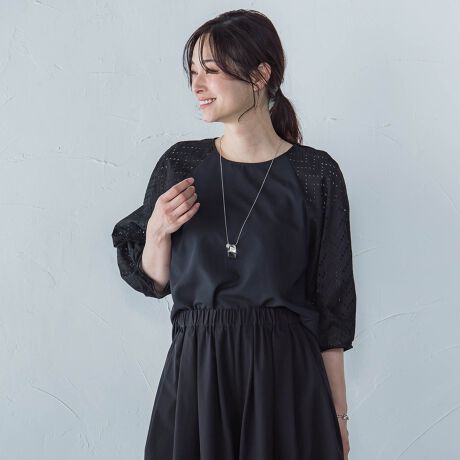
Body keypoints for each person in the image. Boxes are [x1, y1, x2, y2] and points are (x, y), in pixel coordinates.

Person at [112, 9, 357, 460]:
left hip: (287, 382)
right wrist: (158, 230)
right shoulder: (181, 165)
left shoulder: (315, 174)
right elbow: (154, 282)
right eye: (192, 72)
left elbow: (332, 311)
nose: (196, 85)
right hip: (198, 378)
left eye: (210, 70)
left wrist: (339, 417)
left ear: (259, 75)